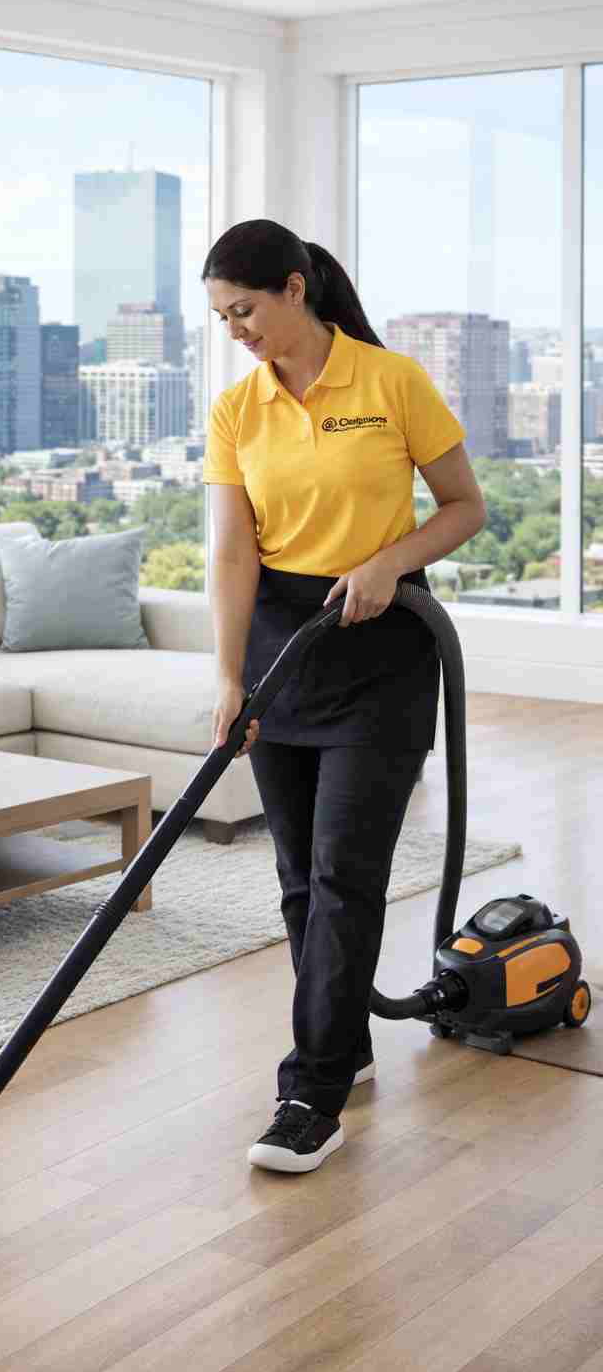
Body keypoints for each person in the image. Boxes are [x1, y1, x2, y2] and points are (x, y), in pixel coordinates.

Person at [202, 219, 486, 1174]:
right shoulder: (238, 409)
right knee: (295, 879)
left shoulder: (390, 380)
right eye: (222, 317)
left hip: (383, 644)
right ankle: (346, 1047)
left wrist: (386, 563)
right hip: (287, 645)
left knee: (343, 874)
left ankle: (311, 1093)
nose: (235, 328)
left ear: (294, 289)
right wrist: (229, 675)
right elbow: (234, 550)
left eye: (244, 309)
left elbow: (463, 505)